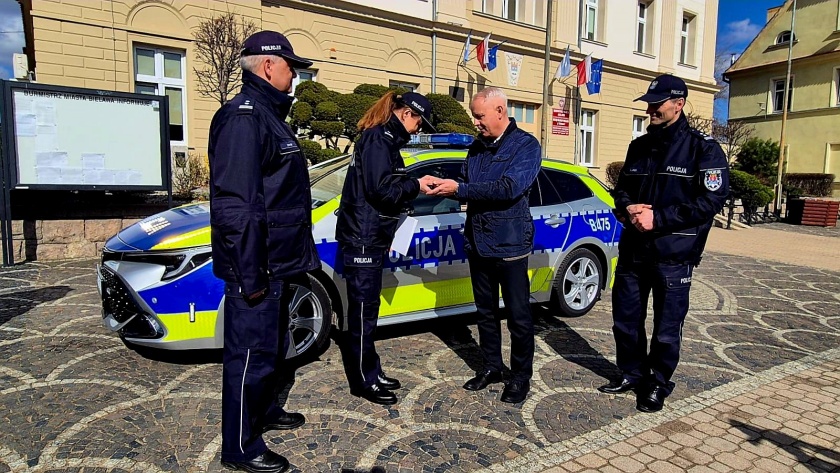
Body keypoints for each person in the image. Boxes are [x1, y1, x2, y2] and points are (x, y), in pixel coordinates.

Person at [208, 31, 319, 473]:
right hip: (259, 266)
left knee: (270, 351)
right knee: (249, 357)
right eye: (290, 65)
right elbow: (237, 207)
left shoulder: (270, 116)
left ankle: (265, 410)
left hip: (279, 262)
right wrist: (250, 274)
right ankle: (241, 447)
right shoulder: (244, 118)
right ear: (268, 66)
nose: (294, 73)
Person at [597, 74, 729, 413]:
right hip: (633, 251)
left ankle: (657, 382)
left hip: (673, 254)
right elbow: (622, 188)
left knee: (667, 327)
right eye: (649, 103)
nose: (651, 109)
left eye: (657, 104)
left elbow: (710, 202)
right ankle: (630, 372)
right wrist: (628, 207)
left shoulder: (703, 148)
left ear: (679, 104)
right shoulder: (639, 146)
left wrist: (659, 218)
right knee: (625, 320)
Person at [427, 87, 541, 404]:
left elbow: (509, 188)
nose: (476, 122)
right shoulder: (477, 148)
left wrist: (462, 188)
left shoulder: (526, 146)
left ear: (500, 112)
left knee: (518, 316)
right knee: (485, 313)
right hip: (477, 241)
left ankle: (520, 377)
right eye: (475, 116)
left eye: (479, 116)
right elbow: (467, 181)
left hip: (510, 244)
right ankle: (492, 367)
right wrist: (450, 188)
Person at [335, 91, 437, 405]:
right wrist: (417, 185)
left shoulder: (383, 137)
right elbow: (381, 189)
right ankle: (364, 381)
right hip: (364, 236)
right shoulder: (379, 139)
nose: (419, 129)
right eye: (420, 122)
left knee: (368, 311)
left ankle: (372, 369)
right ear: (407, 113)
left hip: (370, 234)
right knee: (363, 312)